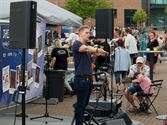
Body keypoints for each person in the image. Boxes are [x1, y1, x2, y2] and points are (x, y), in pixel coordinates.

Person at [72, 25, 108, 125]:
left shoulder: (86, 48)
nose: (89, 34)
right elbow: (86, 48)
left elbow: (88, 59)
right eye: (86, 33)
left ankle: (80, 120)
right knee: (81, 104)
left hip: (88, 78)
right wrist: (97, 50)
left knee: (84, 104)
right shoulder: (77, 44)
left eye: (89, 33)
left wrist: (98, 55)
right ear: (80, 33)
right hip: (81, 79)